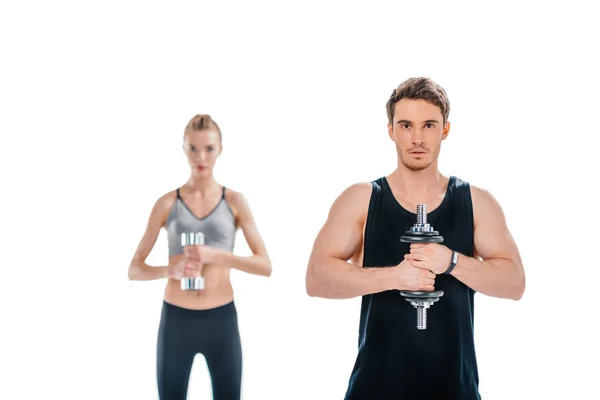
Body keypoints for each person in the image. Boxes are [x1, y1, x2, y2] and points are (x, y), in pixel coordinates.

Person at [305, 77, 525, 399]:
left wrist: (450, 261)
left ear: (445, 130)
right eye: (406, 125)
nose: (417, 138)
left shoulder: (476, 202)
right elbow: (316, 279)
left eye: (429, 125)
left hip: (455, 390)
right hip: (375, 389)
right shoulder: (362, 199)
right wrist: (396, 275)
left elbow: (515, 283)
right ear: (391, 130)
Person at [128, 114, 272, 400]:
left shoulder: (234, 202)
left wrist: (216, 255)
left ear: (220, 150)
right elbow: (135, 269)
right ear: (183, 149)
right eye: (193, 148)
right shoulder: (167, 203)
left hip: (221, 320)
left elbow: (264, 265)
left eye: (208, 148)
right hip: (176, 320)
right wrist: (171, 270)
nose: (200, 157)